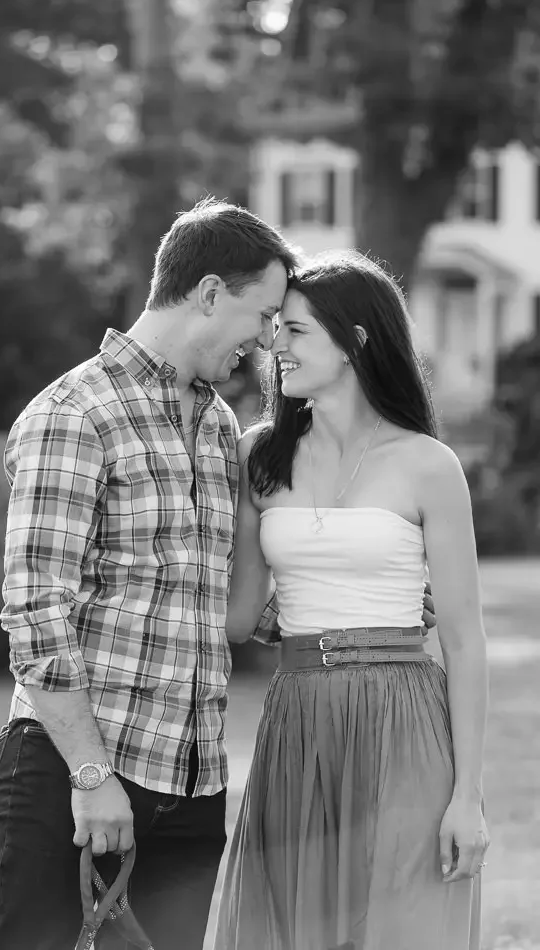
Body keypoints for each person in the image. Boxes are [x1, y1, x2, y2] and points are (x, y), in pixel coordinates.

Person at [0, 198, 298, 950]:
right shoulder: (75, 412)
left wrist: (359, 613)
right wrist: (91, 776)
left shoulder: (217, 423)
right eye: (263, 314)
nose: (265, 341)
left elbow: (210, 587)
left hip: (190, 785)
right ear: (211, 293)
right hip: (75, 776)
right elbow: (36, 612)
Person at [213, 252, 489, 950]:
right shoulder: (258, 456)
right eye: (275, 327)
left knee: (402, 929)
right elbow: (239, 616)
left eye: (296, 331)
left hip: (406, 723)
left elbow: (463, 638)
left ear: (356, 340)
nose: (275, 345)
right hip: (299, 723)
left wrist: (468, 796)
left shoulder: (428, 464)